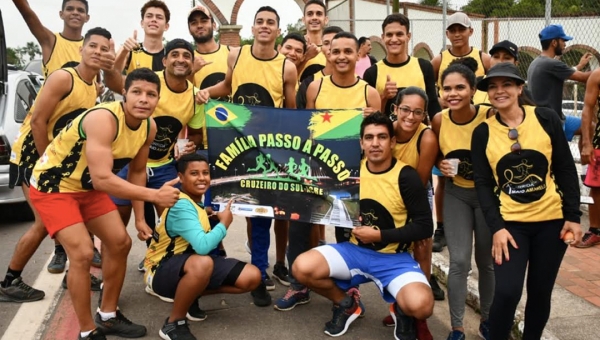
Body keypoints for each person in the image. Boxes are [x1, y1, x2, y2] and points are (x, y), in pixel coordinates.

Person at [27, 68, 180, 340]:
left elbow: (136, 172)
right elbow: (101, 179)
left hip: (86, 188)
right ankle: (87, 331)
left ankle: (108, 316)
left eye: (151, 94)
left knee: (120, 242)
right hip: (54, 186)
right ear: (124, 93)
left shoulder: (149, 126)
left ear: (158, 99)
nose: (143, 99)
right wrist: (154, 196)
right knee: (83, 253)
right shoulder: (104, 118)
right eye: (136, 92)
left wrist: (141, 218)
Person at [293, 112, 434, 338]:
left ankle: (401, 310)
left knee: (421, 306)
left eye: (382, 137)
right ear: (361, 142)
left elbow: (425, 227)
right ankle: (346, 304)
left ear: (392, 141)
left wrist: (379, 236)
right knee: (301, 267)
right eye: (369, 138)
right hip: (354, 251)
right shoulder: (349, 172)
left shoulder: (406, 176)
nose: (375, 143)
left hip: (393, 259)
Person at [472, 62, 582, 340]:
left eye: (506, 84)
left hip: (551, 223)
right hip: (511, 226)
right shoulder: (483, 132)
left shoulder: (545, 118)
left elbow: (565, 169)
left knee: (540, 292)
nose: (500, 91)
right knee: (508, 292)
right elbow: (483, 185)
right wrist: (496, 227)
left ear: (520, 88)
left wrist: (573, 216)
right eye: (493, 87)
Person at [196, 6, 298, 307]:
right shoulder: (235, 55)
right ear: (252, 28)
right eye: (260, 21)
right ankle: (212, 267)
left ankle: (259, 274)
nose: (265, 26)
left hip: (265, 153)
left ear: (277, 30)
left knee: (260, 216)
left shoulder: (287, 67)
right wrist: (206, 93)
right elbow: (227, 87)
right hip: (232, 145)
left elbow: (291, 113)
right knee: (215, 207)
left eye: (270, 22)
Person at [1, 27, 111, 303]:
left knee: (75, 216)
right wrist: (45, 162)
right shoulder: (64, 77)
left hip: (56, 161)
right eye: (93, 46)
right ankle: (10, 281)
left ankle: (76, 274)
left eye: (104, 48)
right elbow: (38, 121)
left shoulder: (91, 86)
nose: (98, 52)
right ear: (81, 50)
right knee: (42, 223)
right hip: (33, 158)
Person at [274, 31, 380, 312]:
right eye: (336, 51)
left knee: (347, 234)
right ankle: (299, 285)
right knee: (299, 227)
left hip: (351, 177)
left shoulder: (369, 92)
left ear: (358, 55)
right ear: (328, 54)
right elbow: (308, 132)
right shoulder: (315, 88)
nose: (342, 56)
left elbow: (375, 140)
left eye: (348, 51)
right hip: (315, 172)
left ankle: (349, 289)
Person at [144, 153, 261, 340]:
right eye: (194, 173)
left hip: (186, 265)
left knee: (251, 277)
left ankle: (188, 297)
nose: (201, 178)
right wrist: (225, 223)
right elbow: (202, 247)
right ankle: (174, 323)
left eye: (205, 173)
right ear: (181, 178)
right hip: (159, 272)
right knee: (203, 262)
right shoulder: (181, 204)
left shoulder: (194, 201)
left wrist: (206, 212)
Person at [110, 39, 203, 273]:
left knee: (171, 225)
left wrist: (187, 146)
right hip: (127, 163)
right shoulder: (149, 83)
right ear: (164, 61)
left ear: (192, 63)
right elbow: (113, 81)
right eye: (174, 54)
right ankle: (107, 277)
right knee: (116, 230)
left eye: (186, 55)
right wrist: (123, 50)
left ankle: (158, 265)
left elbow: (194, 134)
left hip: (164, 167)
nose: (180, 59)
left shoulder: (195, 96)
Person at [431, 59, 494, 340]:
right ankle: (457, 327)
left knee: (486, 261)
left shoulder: (488, 115)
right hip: (456, 193)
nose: (453, 93)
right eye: (447, 88)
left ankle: (489, 321)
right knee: (458, 262)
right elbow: (433, 152)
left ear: (472, 90)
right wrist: (440, 163)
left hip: (486, 197)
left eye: (460, 87)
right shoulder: (439, 119)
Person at [378, 87, 441, 338]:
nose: (410, 116)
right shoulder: (386, 132)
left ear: (424, 114)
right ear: (395, 109)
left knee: (422, 246)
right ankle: (397, 303)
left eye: (418, 112)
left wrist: (409, 218)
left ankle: (419, 316)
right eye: (405, 109)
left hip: (415, 193)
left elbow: (421, 180)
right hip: (385, 191)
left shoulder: (427, 138)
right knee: (390, 248)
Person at [431, 11, 491, 253]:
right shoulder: (439, 60)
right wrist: (444, 105)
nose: (457, 34)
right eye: (452, 30)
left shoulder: (484, 58)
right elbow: (431, 91)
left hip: (477, 124)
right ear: (447, 33)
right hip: (449, 125)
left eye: (461, 29)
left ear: (470, 32)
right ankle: (442, 227)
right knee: (444, 178)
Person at [363, 14, 441, 126]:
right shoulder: (372, 72)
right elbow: (368, 116)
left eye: (399, 34)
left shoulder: (424, 67)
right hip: (387, 138)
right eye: (389, 35)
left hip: (418, 138)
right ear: (383, 37)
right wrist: (384, 96)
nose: (394, 39)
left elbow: (433, 106)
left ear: (408, 36)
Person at [527, 24, 592, 142]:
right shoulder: (551, 64)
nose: (565, 44)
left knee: (588, 127)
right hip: (549, 122)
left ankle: (585, 156)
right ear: (554, 42)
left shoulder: (537, 62)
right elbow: (583, 77)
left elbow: (566, 72)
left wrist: (580, 65)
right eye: (563, 40)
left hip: (553, 117)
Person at [105, 0, 170, 92]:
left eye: (159, 17)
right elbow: (114, 75)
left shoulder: (171, 55)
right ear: (142, 23)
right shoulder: (129, 49)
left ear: (166, 26)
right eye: (149, 16)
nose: (154, 20)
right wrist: (124, 51)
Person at [577, 68, 600, 248]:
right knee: (597, 187)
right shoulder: (598, 75)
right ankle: (595, 230)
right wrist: (586, 143)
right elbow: (587, 109)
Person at [296, 25, 343, 109]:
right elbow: (302, 118)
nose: (330, 47)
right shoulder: (308, 84)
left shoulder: (361, 85)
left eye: (335, 42)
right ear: (321, 48)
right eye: (326, 43)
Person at [298, 0, 328, 82]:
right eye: (310, 14)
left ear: (326, 20)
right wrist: (306, 58)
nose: (314, 17)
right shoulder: (295, 46)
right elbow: (285, 77)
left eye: (319, 14)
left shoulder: (332, 48)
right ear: (304, 19)